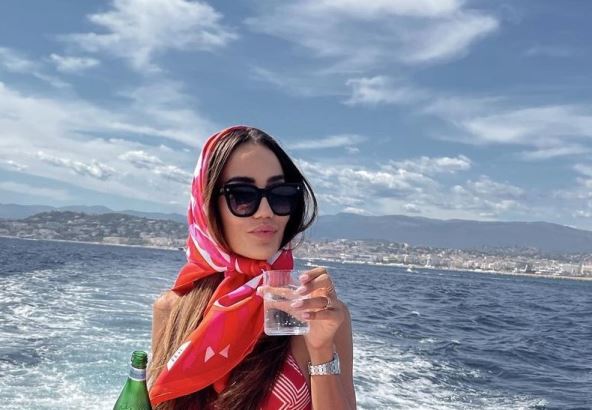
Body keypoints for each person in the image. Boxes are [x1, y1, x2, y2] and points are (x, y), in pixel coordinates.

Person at [148, 126, 356, 409]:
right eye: (242, 195)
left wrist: (320, 349)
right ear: (207, 206)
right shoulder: (174, 309)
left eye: (280, 194)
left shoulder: (319, 313)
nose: (266, 212)